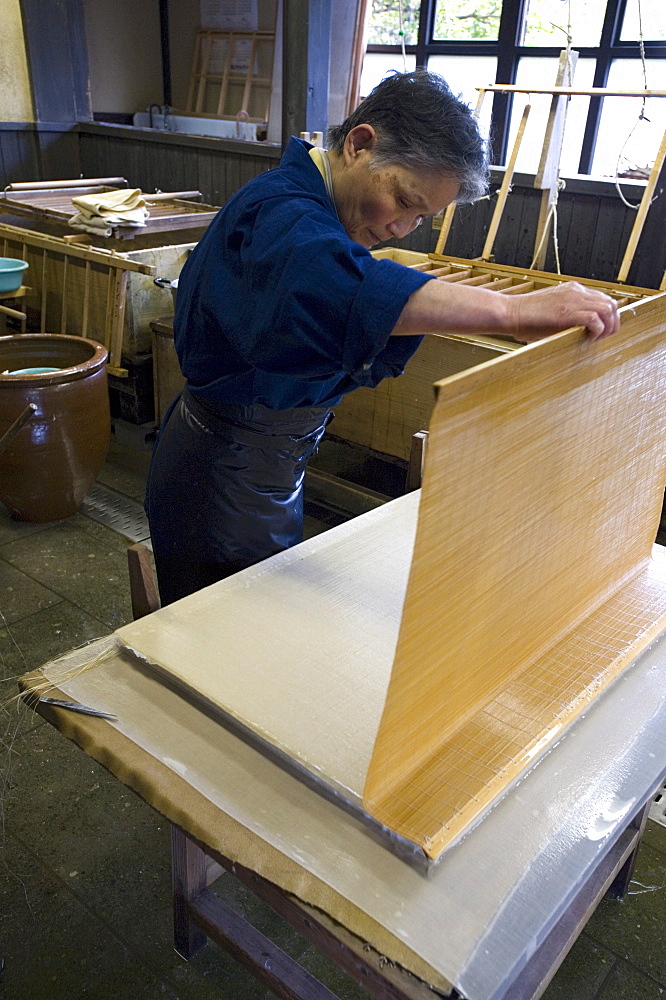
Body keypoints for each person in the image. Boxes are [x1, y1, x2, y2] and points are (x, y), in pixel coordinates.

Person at [145, 70, 619, 606]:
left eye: (422, 217)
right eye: (403, 199)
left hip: (265, 467)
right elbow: (348, 286)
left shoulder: (313, 209)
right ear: (359, 144)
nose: (401, 228)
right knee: (218, 636)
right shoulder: (282, 212)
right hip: (220, 477)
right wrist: (512, 311)